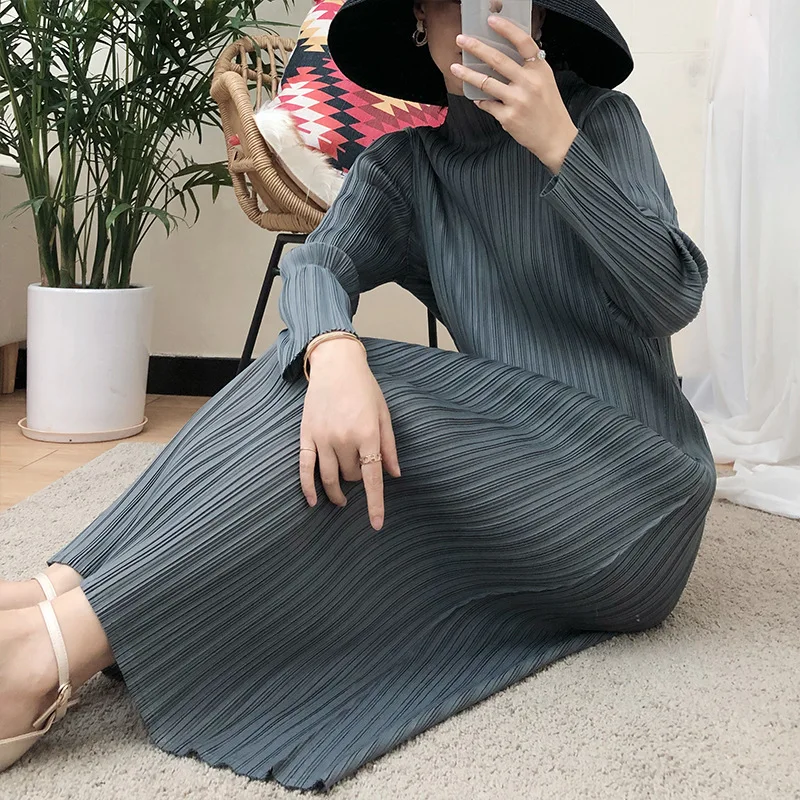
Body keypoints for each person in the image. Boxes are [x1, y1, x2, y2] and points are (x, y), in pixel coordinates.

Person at [0, 0, 716, 790]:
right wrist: (332, 352)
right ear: (419, 23)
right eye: (452, 2)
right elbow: (315, 264)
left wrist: (558, 147)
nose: (477, 19)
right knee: (307, 365)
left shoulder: (603, 123)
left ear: (540, 20)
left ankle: (45, 654)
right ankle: (56, 594)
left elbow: (673, 296)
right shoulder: (409, 166)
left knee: (368, 388)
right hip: (512, 469)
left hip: (633, 488)